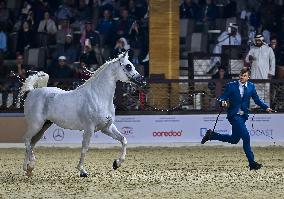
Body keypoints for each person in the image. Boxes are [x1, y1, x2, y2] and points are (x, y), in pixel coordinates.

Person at [201, 68, 273, 170]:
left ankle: (212, 135)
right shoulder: (231, 86)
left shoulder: (251, 86)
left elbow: (257, 99)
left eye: (244, 76)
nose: (242, 77)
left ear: (248, 77)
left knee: (234, 140)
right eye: (241, 75)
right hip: (234, 115)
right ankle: (252, 162)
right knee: (246, 137)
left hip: (243, 116)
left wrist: (266, 107)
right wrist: (223, 102)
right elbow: (223, 97)